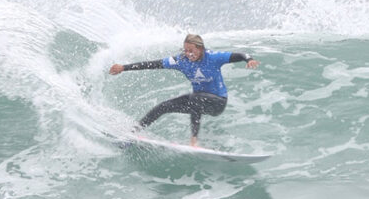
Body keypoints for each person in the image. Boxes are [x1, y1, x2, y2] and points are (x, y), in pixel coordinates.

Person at [109, 34, 259, 147]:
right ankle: (132, 134)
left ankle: (194, 141)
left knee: (196, 98)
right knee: (164, 106)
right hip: (198, 100)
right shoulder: (181, 61)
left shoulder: (214, 57)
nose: (188, 54)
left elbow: (240, 55)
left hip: (218, 102)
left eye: (191, 50)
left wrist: (249, 59)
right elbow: (153, 64)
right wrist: (124, 68)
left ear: (200, 49)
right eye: (186, 50)